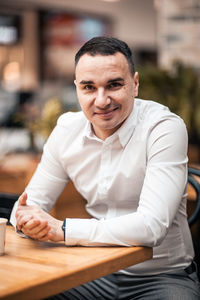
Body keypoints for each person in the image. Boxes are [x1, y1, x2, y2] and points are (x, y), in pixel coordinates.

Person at [11, 36, 200, 299]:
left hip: (161, 277)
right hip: (89, 270)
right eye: (89, 87)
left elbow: (151, 227)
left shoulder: (164, 128)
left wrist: (63, 230)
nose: (101, 101)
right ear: (77, 88)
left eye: (114, 85)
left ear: (134, 84)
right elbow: (27, 207)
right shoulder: (66, 130)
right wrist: (27, 222)